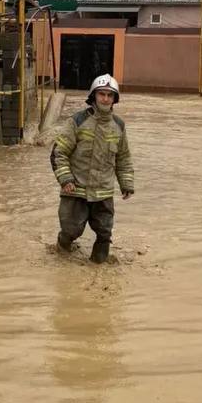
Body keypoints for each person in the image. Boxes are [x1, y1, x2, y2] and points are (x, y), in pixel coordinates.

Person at [50, 74, 134, 264]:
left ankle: (98, 269)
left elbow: (123, 157)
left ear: (114, 99)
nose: (105, 99)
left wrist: (127, 184)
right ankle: (62, 255)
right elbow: (58, 153)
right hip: (75, 190)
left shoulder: (119, 126)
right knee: (71, 230)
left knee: (104, 233)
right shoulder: (77, 121)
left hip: (103, 193)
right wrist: (66, 179)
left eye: (110, 95)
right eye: (101, 94)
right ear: (93, 96)